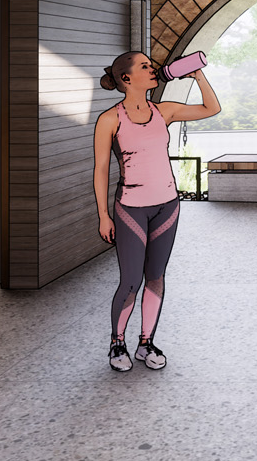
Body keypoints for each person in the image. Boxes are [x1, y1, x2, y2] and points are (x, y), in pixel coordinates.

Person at [92, 51, 220, 372]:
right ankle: (117, 342)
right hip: (131, 208)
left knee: (156, 278)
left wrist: (197, 76)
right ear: (126, 78)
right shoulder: (110, 119)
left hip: (167, 205)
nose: (154, 70)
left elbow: (212, 108)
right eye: (145, 67)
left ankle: (145, 342)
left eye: (152, 65)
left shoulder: (164, 111)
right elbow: (100, 169)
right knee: (131, 280)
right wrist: (103, 215)